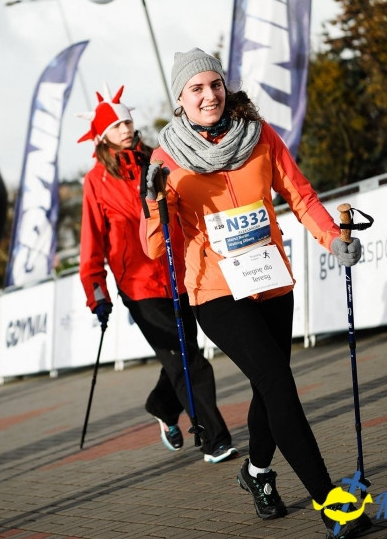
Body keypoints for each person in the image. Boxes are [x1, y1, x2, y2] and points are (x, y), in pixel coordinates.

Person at [140, 49, 372, 539]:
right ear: (180, 100)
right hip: (216, 292)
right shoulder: (166, 160)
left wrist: (333, 238)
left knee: (271, 387)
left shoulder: (259, 135)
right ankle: (332, 504)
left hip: (269, 280)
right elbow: (156, 245)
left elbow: (300, 195)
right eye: (196, 89)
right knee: (279, 386)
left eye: (215, 85)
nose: (209, 95)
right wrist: (153, 202)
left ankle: (257, 474)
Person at [77, 85, 236, 463]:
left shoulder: (157, 160)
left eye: (128, 122)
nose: (126, 129)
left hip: (180, 272)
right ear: (102, 136)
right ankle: (214, 438)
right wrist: (96, 292)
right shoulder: (95, 183)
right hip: (139, 287)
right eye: (117, 126)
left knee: (184, 353)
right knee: (189, 360)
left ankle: (163, 408)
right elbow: (91, 244)